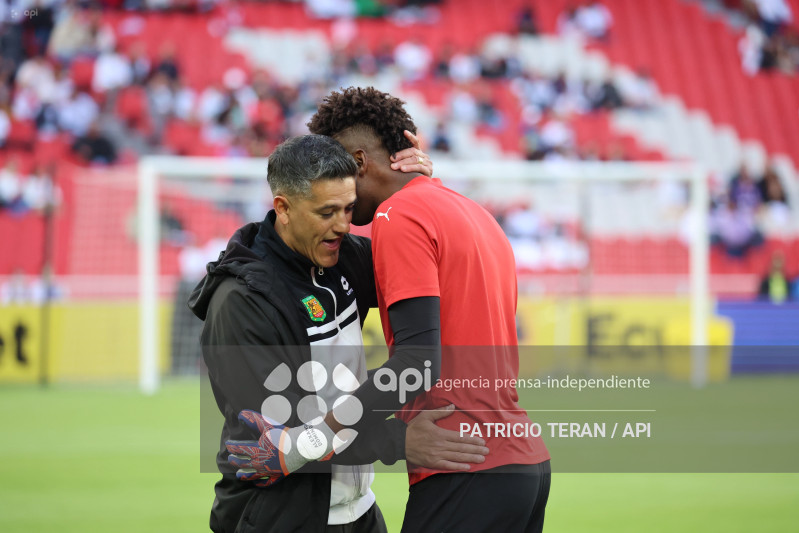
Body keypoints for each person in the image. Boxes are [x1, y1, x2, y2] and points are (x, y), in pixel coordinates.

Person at [189, 134, 487, 532]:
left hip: (359, 511)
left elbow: (426, 268)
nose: (343, 226)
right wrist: (397, 441)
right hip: (278, 517)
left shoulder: (344, 258)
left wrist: (418, 190)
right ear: (284, 208)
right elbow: (276, 438)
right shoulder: (242, 301)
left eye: (348, 208)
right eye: (327, 212)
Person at [308, 87, 551, 532]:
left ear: (359, 162)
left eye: (333, 169)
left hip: (462, 462)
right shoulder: (474, 212)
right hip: (523, 464)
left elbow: (418, 362)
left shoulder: (397, 216)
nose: (330, 189)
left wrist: (323, 429)